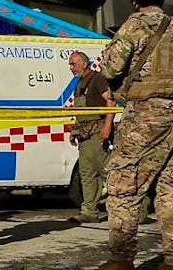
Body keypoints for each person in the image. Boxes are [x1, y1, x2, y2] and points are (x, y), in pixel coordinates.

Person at [95, 0, 173, 270]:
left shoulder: (133, 26)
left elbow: (110, 69)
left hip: (143, 117)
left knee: (123, 188)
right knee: (171, 189)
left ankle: (121, 258)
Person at [67, 51, 115, 224]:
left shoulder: (98, 79)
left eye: (73, 63)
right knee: (87, 174)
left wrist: (107, 127)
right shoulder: (80, 82)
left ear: (84, 63)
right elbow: (80, 112)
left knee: (108, 173)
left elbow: (111, 102)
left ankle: (130, 209)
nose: (70, 67)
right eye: (70, 64)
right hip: (84, 135)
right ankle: (89, 211)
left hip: (97, 133)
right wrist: (74, 132)